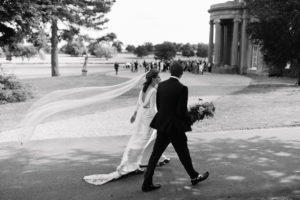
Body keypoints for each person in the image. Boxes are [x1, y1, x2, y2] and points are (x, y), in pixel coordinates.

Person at [83, 69, 170, 185]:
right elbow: (153, 109)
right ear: (154, 79)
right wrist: (161, 119)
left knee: (139, 140)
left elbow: (139, 104)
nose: (160, 79)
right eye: (159, 77)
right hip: (148, 119)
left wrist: (134, 114)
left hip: (141, 117)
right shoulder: (153, 90)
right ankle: (132, 165)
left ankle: (148, 160)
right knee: (143, 142)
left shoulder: (144, 89)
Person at [141, 62, 209, 192]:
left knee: (155, 155)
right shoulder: (182, 88)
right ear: (181, 73)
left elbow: (160, 106)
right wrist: (192, 118)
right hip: (175, 127)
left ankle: (146, 183)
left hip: (162, 124)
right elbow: (181, 111)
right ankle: (194, 176)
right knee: (183, 153)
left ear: (170, 72)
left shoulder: (161, 85)